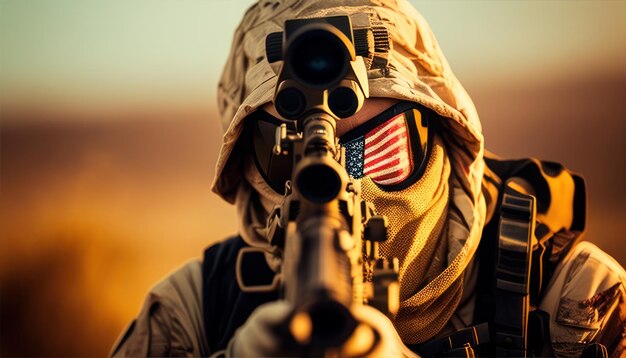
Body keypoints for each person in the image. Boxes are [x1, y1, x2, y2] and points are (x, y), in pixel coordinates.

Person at [110, 1, 626, 357]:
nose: (343, 181)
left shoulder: (578, 302)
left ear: (441, 135)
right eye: (286, 155)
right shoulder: (191, 313)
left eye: (378, 144)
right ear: (249, 170)